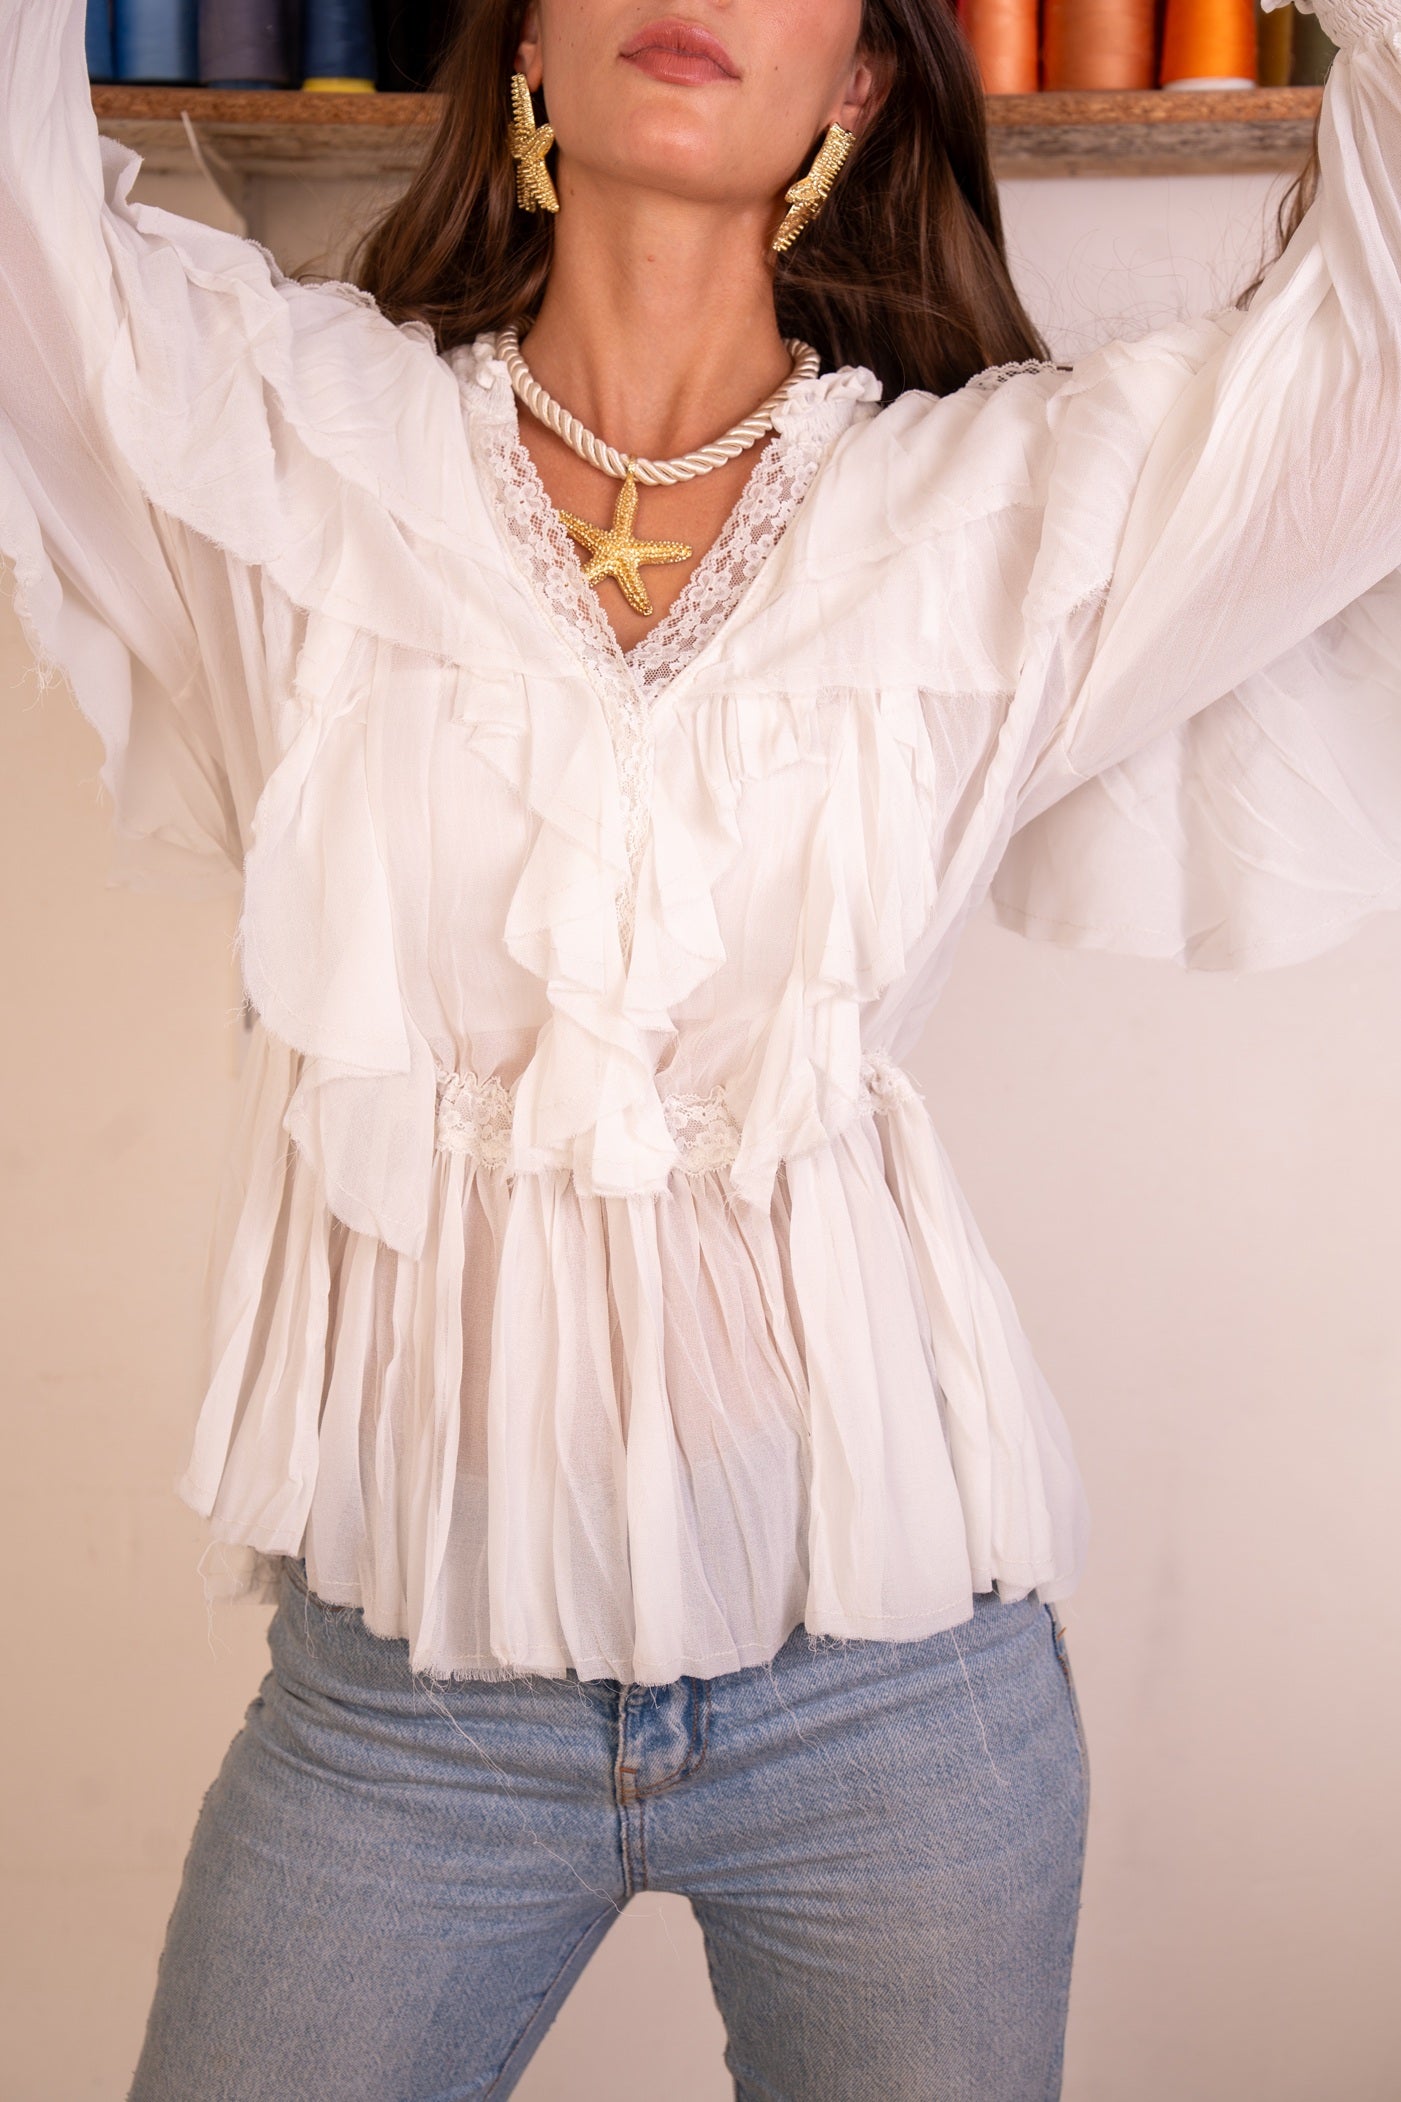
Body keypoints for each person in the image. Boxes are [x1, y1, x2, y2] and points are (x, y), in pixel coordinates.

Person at [3, 0, 1399, 2094]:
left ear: (859, 84)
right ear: (526, 46)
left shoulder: (990, 518)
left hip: (892, 1697)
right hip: (405, 1709)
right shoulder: (288, 454)